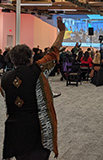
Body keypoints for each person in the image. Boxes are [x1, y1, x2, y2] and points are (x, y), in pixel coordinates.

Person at [0, 17, 65, 160]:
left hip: (15, 130)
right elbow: (54, 51)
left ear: (12, 60)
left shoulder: (4, 79)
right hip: (38, 129)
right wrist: (62, 31)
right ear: (31, 58)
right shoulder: (39, 70)